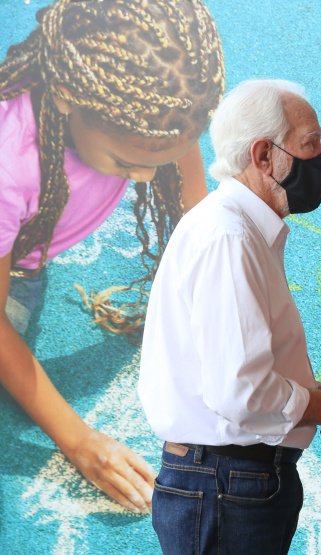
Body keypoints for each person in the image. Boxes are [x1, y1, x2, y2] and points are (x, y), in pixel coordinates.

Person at [0, 0, 224, 512]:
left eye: (161, 158)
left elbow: (183, 172)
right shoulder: (8, 164)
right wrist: (81, 442)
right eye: (127, 162)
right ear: (65, 97)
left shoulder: (162, 105)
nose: (146, 176)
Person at [138, 79, 321, 555]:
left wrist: (311, 397)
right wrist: (320, 406)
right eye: (311, 143)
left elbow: (235, 377)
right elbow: (240, 390)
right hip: (226, 485)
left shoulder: (235, 228)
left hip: (229, 483)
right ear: (264, 155)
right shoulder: (230, 236)